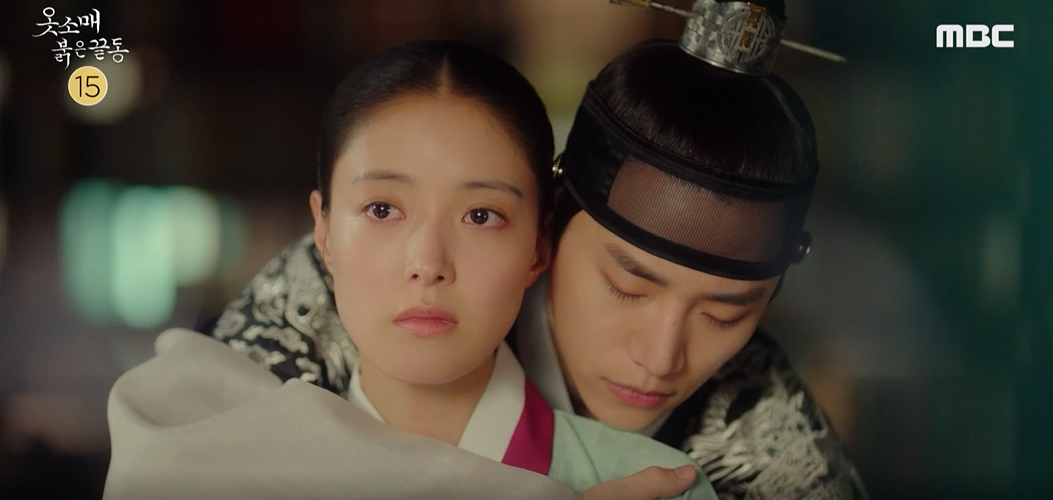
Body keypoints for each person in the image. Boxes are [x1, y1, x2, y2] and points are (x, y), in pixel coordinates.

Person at [207, 1, 870, 498]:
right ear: (546, 225)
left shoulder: (770, 439)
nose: (659, 355)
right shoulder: (346, 291)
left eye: (724, 314)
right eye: (627, 287)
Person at [104, 39, 717, 500]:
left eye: (481, 215)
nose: (428, 264)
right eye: (382, 209)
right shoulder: (218, 461)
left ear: (538, 247)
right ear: (324, 235)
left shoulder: (649, 485)